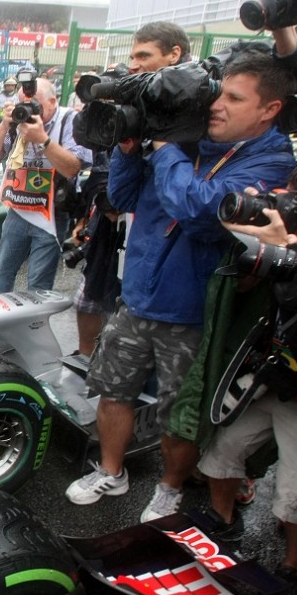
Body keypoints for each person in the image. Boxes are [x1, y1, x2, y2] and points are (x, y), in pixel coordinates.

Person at [64, 52, 297, 521]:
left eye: (234, 98)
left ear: (269, 109)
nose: (217, 106)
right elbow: (124, 197)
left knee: (180, 414)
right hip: (139, 298)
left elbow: (199, 211)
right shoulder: (192, 139)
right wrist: (132, 150)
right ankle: (112, 470)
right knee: (114, 389)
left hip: (197, 314)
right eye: (218, 95)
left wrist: (166, 144)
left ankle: (170, 488)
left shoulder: (271, 160)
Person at [197, 156, 297, 595]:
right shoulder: (295, 242)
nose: (289, 207)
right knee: (223, 448)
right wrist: (262, 244)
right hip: (269, 373)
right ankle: (221, 520)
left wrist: (291, 250)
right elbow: (243, 288)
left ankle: (295, 567)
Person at [74, 22, 192, 356]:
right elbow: (121, 196)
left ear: (174, 55)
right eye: (132, 56)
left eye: (144, 55)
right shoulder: (134, 105)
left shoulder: (196, 117)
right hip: (130, 256)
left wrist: (161, 142)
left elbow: (187, 203)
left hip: (174, 279)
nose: (135, 64)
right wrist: (127, 145)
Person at [0, 76, 92, 293]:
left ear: (53, 102)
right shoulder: (17, 124)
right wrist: (5, 124)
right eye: (23, 102)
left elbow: (72, 168)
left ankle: (34, 326)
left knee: (39, 282)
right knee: (3, 273)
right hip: (18, 209)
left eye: (35, 103)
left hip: (51, 212)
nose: (29, 109)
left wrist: (43, 140)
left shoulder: (70, 120)